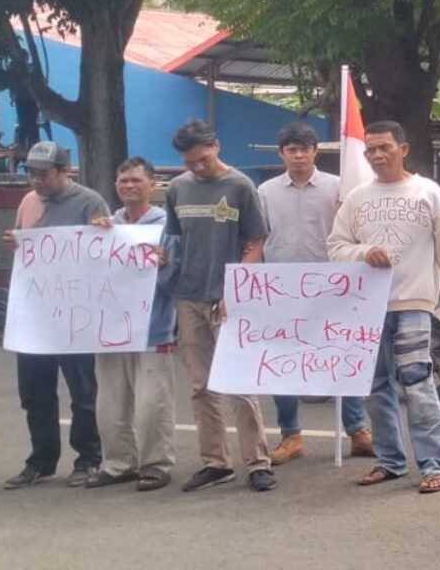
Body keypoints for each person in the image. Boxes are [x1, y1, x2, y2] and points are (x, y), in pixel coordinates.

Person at [328, 120, 440, 494]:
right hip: (368, 307)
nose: (376, 155)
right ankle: (390, 461)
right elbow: (336, 246)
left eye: (384, 147)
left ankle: (436, 464)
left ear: (403, 148)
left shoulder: (428, 193)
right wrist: (362, 252)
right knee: (374, 385)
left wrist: (427, 285)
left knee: (417, 381)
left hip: (414, 303)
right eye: (370, 149)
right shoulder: (357, 198)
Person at [165, 119, 275, 493]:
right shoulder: (177, 189)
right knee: (200, 384)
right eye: (189, 162)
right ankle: (215, 461)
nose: (196, 167)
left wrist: (236, 291)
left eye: (202, 159)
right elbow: (174, 241)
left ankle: (258, 462)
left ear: (216, 145)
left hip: (229, 297)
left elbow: (256, 242)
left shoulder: (241, 186)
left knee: (240, 383)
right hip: (188, 295)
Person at [257, 121, 374, 465]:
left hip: (332, 286)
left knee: (343, 355)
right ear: (282, 154)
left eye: (304, 149)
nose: (298, 156)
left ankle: (357, 431)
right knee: (283, 362)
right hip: (281, 289)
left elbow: (355, 231)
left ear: (314, 151)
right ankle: (291, 435)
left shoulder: (340, 188)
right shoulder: (264, 192)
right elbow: (257, 238)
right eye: (291, 150)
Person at [3, 141, 107, 489]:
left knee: (82, 391)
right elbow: (27, 250)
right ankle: (42, 459)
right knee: (34, 391)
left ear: (65, 171)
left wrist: (103, 233)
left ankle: (88, 457)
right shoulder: (29, 202)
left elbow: (102, 251)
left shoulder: (89, 201)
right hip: (35, 313)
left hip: (75, 313)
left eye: (44, 174)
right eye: (31, 173)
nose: (36, 181)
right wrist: (16, 243)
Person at [86, 157, 180, 491]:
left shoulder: (167, 226)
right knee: (110, 405)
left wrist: (164, 264)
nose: (128, 186)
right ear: (115, 185)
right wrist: (91, 241)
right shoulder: (105, 226)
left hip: (153, 328)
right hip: (111, 328)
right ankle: (117, 462)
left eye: (136, 181)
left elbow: (177, 280)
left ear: (152, 185)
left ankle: (155, 463)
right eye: (123, 180)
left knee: (150, 405)